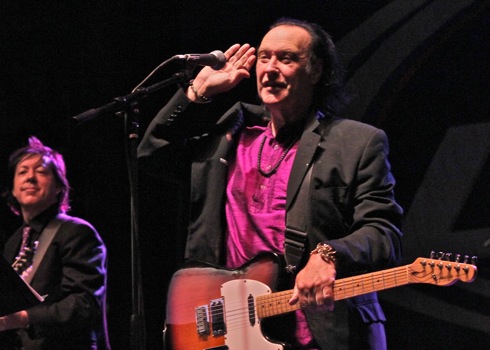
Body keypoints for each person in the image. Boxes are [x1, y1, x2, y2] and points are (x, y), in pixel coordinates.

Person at [138, 18, 403, 350]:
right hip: (230, 332)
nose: (271, 68)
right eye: (264, 57)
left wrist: (329, 254)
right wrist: (197, 94)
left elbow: (384, 233)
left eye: (286, 58)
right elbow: (152, 156)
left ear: (316, 70)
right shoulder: (230, 135)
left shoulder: (356, 143)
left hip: (316, 333)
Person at [0, 137, 110, 350]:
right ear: (13, 189)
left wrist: (20, 318)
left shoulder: (76, 232)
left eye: (41, 171)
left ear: (60, 186)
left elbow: (84, 305)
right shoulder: (13, 242)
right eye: (22, 172)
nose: (30, 177)